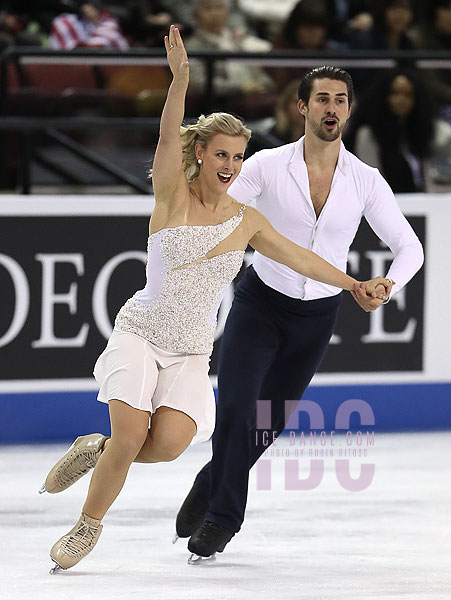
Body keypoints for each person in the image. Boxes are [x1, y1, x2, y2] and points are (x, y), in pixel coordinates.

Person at [39, 26, 388, 573]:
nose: (230, 165)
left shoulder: (246, 218)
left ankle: (94, 451)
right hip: (144, 331)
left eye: (239, 156)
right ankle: (86, 527)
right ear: (200, 153)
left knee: (168, 445)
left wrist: (352, 284)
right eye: (221, 153)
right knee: (131, 433)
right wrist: (179, 78)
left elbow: (301, 258)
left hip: (190, 352)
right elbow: (166, 131)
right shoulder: (172, 192)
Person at [174, 65, 424, 562]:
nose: (331, 108)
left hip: (317, 317)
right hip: (259, 304)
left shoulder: (365, 181)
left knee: (266, 425)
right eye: (322, 99)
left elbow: (409, 246)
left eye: (340, 100)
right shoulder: (266, 166)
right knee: (237, 411)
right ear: (302, 107)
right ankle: (223, 520)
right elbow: (218, 207)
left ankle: (210, 480)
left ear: (349, 110)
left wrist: (389, 283)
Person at [346, 68, 451, 193]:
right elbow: (371, 182)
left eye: (408, 95)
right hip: (387, 203)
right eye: (395, 93)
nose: (401, 100)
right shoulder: (368, 135)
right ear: (384, 96)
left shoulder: (422, 130)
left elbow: (446, 139)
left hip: (423, 202)